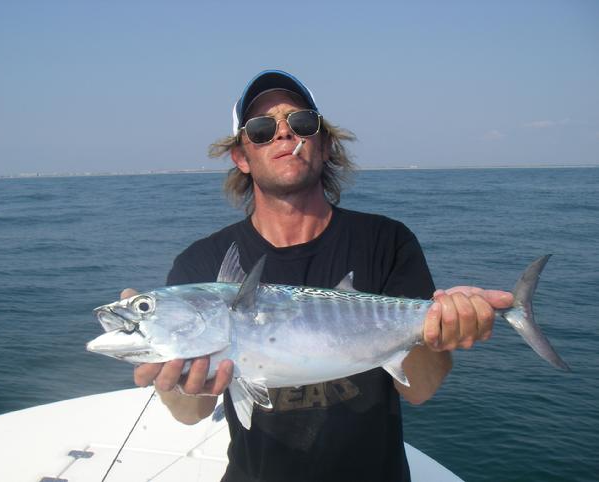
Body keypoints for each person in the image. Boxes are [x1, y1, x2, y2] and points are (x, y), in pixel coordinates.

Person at [125, 70, 513, 482]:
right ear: (241, 156)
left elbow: (420, 389)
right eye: (260, 130)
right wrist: (175, 381)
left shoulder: (385, 240)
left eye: (301, 123)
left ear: (325, 144)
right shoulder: (201, 263)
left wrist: (440, 332)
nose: (283, 135)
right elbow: (191, 415)